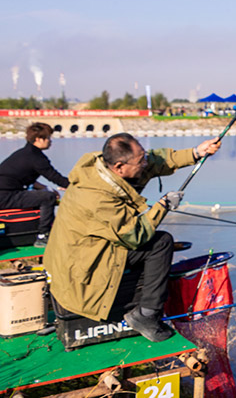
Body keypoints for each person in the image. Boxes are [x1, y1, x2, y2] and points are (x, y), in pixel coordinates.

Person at [44, 133, 221, 342]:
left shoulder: (102, 169)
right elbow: (135, 235)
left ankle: (143, 303)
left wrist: (195, 153)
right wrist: (162, 206)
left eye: (144, 156)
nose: (145, 163)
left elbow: (155, 161)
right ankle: (146, 315)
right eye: (141, 160)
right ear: (119, 166)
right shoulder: (97, 197)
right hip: (82, 266)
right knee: (161, 243)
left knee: (156, 243)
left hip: (85, 251)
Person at [0, 122, 69, 247]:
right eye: (48, 138)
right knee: (48, 198)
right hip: (6, 196)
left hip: (6, 193)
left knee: (45, 194)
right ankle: (43, 235)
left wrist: (46, 188)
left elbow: (25, 178)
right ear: (38, 139)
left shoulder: (24, 153)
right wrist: (76, 185)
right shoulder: (36, 158)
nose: (50, 141)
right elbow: (56, 178)